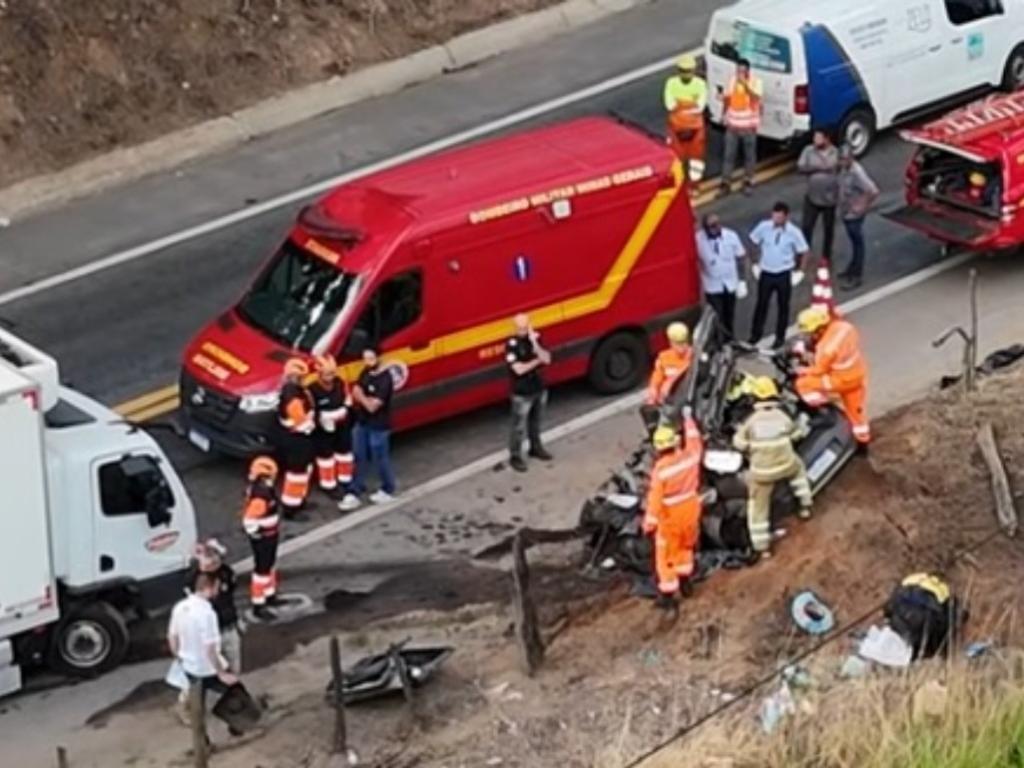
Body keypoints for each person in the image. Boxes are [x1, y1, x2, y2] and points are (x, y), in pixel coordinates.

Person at [732, 377, 813, 558]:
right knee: (799, 471)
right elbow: (796, 434)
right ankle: (805, 506)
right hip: (786, 465)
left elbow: (739, 444)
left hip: (762, 474)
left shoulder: (750, 422)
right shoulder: (782, 416)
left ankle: (763, 548)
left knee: (758, 506)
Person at [644, 415, 704, 615]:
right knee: (686, 546)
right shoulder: (690, 457)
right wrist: (688, 420)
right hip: (691, 509)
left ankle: (668, 596)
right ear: (675, 442)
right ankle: (686, 582)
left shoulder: (660, 470)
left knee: (665, 555)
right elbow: (695, 442)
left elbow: (655, 498)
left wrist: (649, 523)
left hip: (670, 516)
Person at [168, 571, 238, 729]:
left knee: (195, 703)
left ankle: (197, 733)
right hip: (206, 668)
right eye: (216, 587)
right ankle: (237, 721)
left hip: (188, 666)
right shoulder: (207, 614)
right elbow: (210, 649)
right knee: (234, 688)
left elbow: (172, 637)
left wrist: (179, 657)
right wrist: (222, 673)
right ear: (209, 587)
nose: (218, 590)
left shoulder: (179, 607)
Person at [795, 306, 871, 448]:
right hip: (857, 374)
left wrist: (803, 370)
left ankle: (822, 409)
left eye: (811, 332)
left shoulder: (826, 350)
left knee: (803, 384)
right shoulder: (845, 327)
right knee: (856, 413)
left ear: (819, 329)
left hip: (841, 380)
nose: (809, 335)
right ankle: (863, 442)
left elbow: (818, 370)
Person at [748, 202, 810, 349]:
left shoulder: (793, 232)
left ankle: (780, 337)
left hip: (783, 274)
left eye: (779, 217)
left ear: (786, 217)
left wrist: (800, 271)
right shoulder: (764, 227)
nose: (776, 220)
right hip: (766, 273)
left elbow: (804, 252)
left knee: (783, 307)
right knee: (761, 305)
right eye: (774, 216)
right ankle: (755, 335)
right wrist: (755, 263)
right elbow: (752, 243)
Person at [308, 354, 359, 511]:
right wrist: (322, 419)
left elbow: (347, 399)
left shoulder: (340, 383)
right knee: (326, 458)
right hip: (324, 428)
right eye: (327, 374)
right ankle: (328, 484)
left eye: (332, 373)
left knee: (344, 453)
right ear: (319, 374)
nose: (331, 377)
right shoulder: (312, 390)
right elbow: (310, 410)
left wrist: (346, 412)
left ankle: (345, 479)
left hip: (342, 425)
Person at [505, 313, 553, 473]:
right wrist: (536, 361)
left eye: (525, 328)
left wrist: (534, 343)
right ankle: (515, 456)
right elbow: (519, 369)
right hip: (522, 392)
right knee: (518, 427)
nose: (522, 331)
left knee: (536, 422)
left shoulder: (535, 339)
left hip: (538, 388)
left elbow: (547, 358)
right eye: (520, 328)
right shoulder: (511, 345)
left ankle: (535, 447)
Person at [350, 348, 397, 503]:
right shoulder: (365, 372)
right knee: (358, 455)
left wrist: (361, 397)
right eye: (365, 359)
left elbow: (372, 406)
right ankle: (356, 488)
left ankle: (388, 488)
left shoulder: (385, 380)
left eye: (370, 358)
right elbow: (355, 390)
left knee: (380, 458)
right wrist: (363, 397)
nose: (367, 362)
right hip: (363, 422)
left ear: (379, 358)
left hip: (379, 425)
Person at [243, 456, 282, 622]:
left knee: (269, 566)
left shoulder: (263, 489)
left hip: (269, 534)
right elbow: (249, 520)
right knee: (262, 570)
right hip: (264, 537)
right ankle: (259, 605)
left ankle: (270, 595)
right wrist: (257, 533)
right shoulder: (261, 494)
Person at [696, 213, 747, 336]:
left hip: (730, 283)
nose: (714, 228)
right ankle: (721, 342)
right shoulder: (698, 239)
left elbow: (741, 257)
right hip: (712, 286)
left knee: (729, 314)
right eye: (710, 226)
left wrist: (742, 280)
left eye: (716, 225)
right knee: (717, 316)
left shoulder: (731, 236)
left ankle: (730, 339)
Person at [276, 358, 316, 516]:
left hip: (297, 437)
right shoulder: (293, 395)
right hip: (297, 437)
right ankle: (291, 507)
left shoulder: (294, 391)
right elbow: (299, 418)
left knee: (303, 471)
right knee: (297, 474)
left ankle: (298, 500)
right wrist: (310, 425)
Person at [836, 145, 879, 290]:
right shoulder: (844, 169)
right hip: (846, 211)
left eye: (844, 159)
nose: (842, 162)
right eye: (840, 159)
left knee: (857, 244)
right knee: (854, 242)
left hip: (854, 214)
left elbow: (872, 191)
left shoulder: (856, 173)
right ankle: (851, 269)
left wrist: (861, 206)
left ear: (851, 159)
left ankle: (856, 276)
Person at [719, 58, 763, 196]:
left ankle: (748, 181)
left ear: (748, 71)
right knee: (728, 155)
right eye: (738, 70)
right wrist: (723, 115)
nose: (740, 73)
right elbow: (727, 99)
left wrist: (746, 86)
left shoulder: (756, 82)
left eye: (743, 71)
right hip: (733, 126)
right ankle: (725, 183)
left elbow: (756, 99)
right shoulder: (732, 81)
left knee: (749, 155)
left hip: (748, 126)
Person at [663, 54, 708, 182]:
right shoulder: (671, 83)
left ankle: (694, 185)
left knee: (696, 159)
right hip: (676, 128)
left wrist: (680, 105)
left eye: (688, 71)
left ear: (693, 71)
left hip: (695, 129)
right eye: (683, 71)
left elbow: (700, 106)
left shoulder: (700, 84)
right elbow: (669, 105)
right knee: (675, 157)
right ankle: (678, 182)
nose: (686, 74)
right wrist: (690, 104)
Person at [798, 130, 839, 262]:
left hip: (830, 199)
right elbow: (800, 167)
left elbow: (841, 169)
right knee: (807, 227)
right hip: (812, 197)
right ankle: (804, 255)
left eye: (819, 138)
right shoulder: (808, 151)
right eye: (815, 137)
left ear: (827, 139)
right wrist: (818, 168)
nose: (815, 140)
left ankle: (826, 256)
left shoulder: (836, 153)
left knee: (828, 229)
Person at [646, 322, 692, 407]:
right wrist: (653, 389)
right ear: (671, 342)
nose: (681, 347)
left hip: (686, 402)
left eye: (683, 342)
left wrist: (670, 381)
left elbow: (690, 366)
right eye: (678, 343)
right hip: (668, 403)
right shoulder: (663, 357)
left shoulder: (694, 356)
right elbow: (657, 375)